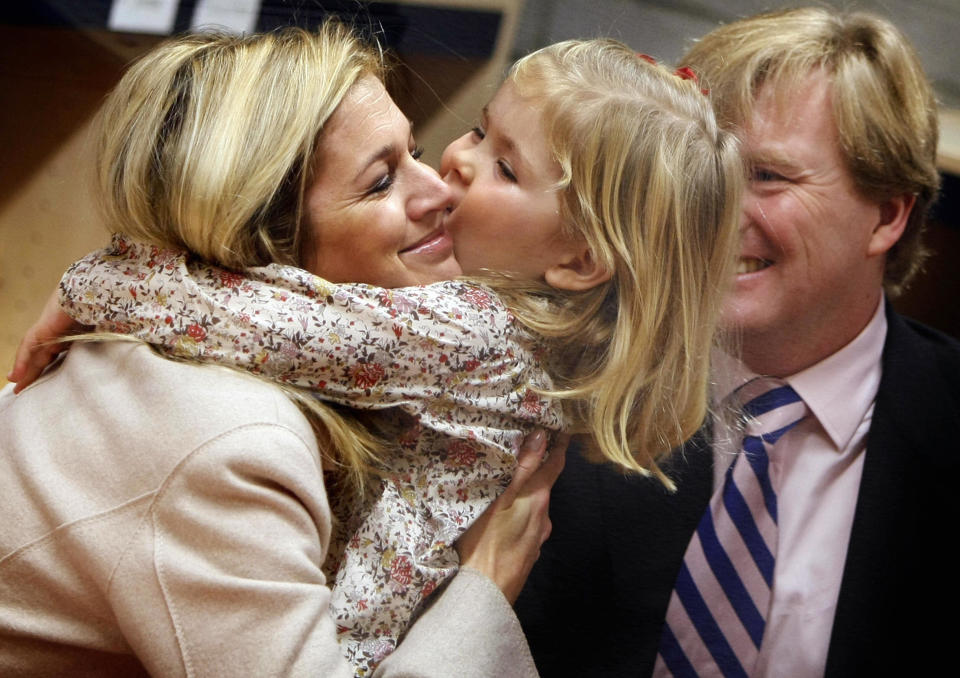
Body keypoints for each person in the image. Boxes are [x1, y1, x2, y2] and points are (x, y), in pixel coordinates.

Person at [3, 28, 743, 677]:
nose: (449, 170)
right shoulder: (223, 436)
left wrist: (98, 279)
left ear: (581, 263)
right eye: (388, 175)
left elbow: (263, 326)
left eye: (504, 167)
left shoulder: (480, 330)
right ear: (268, 240)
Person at [515, 7, 960, 678]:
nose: (716, 209)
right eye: (706, 165)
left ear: (888, 214)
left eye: (768, 176)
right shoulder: (572, 380)